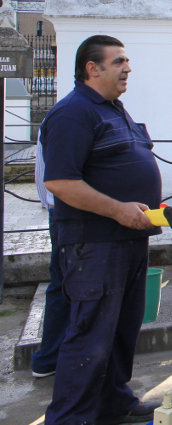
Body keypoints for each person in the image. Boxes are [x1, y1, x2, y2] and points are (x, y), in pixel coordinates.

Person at [42, 35, 162, 425]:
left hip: (129, 240)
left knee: (121, 331)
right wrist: (118, 212)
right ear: (92, 69)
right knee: (90, 335)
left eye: (127, 61)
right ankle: (71, 418)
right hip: (95, 246)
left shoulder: (113, 109)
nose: (127, 68)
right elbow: (60, 182)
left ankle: (114, 403)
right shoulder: (74, 113)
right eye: (119, 62)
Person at [29, 126, 70, 380]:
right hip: (69, 212)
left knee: (62, 284)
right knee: (67, 284)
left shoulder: (58, 119)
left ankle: (50, 357)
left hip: (60, 210)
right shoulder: (67, 120)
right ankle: (52, 356)